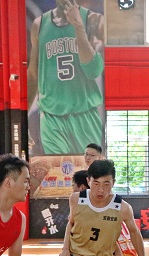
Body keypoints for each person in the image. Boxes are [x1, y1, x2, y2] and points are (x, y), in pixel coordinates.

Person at [28, 0, 105, 154]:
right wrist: (24, 117)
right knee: (57, 167)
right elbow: (33, 75)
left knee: (87, 167)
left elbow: (93, 70)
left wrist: (78, 27)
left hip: (84, 114)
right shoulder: (39, 24)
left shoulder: (95, 20)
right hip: (51, 117)